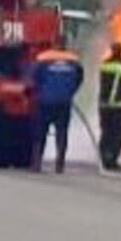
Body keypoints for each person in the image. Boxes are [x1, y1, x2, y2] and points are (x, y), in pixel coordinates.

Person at [31, 40, 84, 173]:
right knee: (62, 133)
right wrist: (70, 92)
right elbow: (79, 79)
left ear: (54, 45)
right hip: (64, 102)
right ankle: (59, 164)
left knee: (40, 133)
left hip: (45, 102)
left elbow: (34, 77)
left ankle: (37, 164)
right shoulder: (74, 60)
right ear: (65, 45)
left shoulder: (43, 58)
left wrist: (40, 92)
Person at [98, 41, 121, 170]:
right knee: (118, 134)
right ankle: (112, 160)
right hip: (117, 106)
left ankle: (103, 159)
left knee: (105, 133)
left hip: (103, 105)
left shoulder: (104, 65)